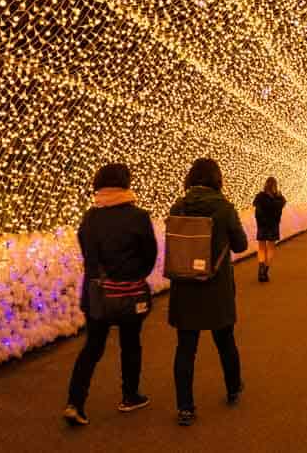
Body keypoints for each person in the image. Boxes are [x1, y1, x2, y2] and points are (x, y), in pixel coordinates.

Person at [64, 163, 158, 426]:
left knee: (92, 347)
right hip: (130, 294)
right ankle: (130, 396)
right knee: (130, 343)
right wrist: (135, 274)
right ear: (125, 184)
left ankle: (75, 402)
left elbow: (87, 255)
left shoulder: (90, 218)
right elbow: (149, 254)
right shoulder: (138, 216)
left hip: (97, 295)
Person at [169, 158, 249, 426]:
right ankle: (233, 388)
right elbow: (240, 245)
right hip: (216, 287)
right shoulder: (223, 208)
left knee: (185, 348)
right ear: (217, 179)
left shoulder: (178, 206)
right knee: (225, 341)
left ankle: (185, 407)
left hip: (185, 287)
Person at [253, 177, 286, 283]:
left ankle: (261, 271)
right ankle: (265, 271)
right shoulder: (278, 198)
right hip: (273, 225)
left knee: (261, 248)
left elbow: (256, 209)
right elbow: (282, 205)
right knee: (271, 248)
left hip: (262, 225)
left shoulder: (260, 196)